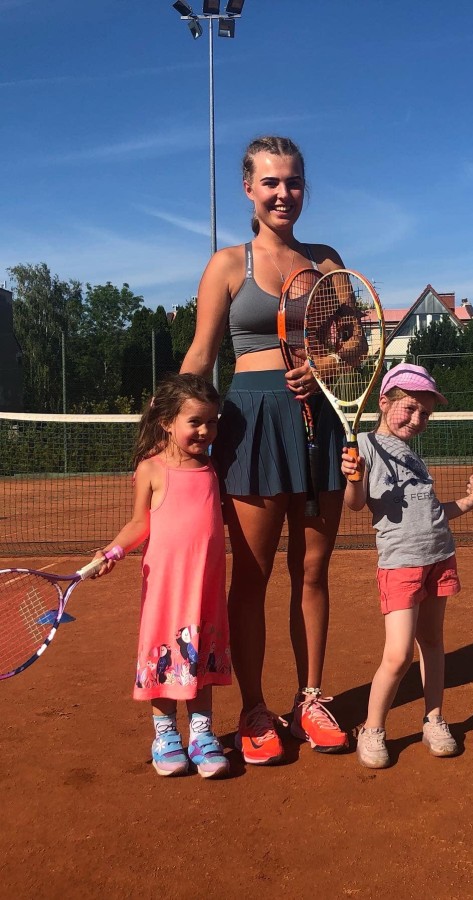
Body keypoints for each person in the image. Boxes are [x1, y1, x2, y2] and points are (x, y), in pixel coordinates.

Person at [180, 135, 352, 765]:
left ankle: (311, 699)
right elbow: (202, 356)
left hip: (319, 423)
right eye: (271, 182)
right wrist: (167, 432)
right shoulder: (228, 265)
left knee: (312, 572)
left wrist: (322, 364)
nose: (284, 194)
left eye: (294, 181)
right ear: (249, 189)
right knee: (250, 579)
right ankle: (254, 708)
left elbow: (354, 347)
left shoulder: (328, 261)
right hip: (249, 427)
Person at [341, 363, 473, 768]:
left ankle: (434, 719)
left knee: (433, 644)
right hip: (401, 564)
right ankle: (372, 729)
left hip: (439, 556)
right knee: (399, 654)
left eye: (425, 413)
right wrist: (354, 478)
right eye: (410, 408)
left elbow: (432, 512)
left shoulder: (413, 456)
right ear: (384, 402)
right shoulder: (365, 445)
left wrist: (468, 503)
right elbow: (355, 504)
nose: (418, 418)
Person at [94, 373, 231, 778]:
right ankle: (166, 735)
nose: (205, 431)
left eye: (212, 422)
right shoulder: (151, 469)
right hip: (166, 589)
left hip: (205, 586)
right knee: (165, 656)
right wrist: (113, 551)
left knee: (200, 655)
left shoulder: (212, 467)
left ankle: (201, 735)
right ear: (167, 423)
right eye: (195, 422)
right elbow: (140, 523)